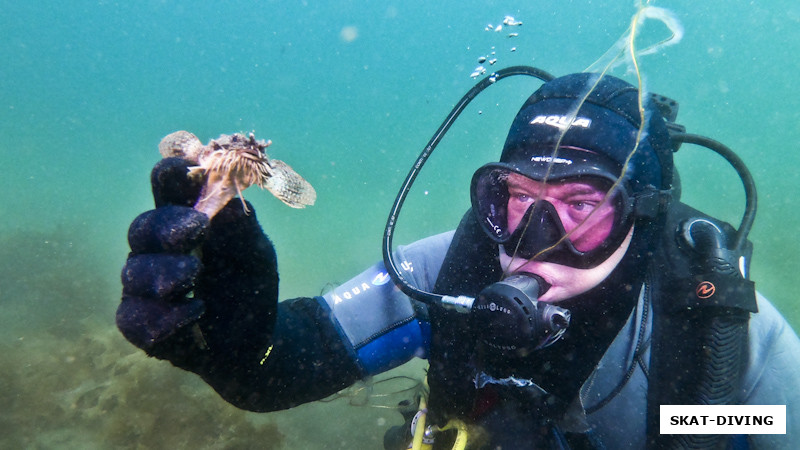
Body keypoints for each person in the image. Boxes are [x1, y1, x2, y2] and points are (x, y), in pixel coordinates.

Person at [117, 72, 800, 449]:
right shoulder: (449, 270)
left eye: (582, 205)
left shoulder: (719, 326)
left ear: (640, 215)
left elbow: (775, 423)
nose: (536, 236)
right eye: (515, 197)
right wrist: (233, 341)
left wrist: (684, 419)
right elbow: (275, 372)